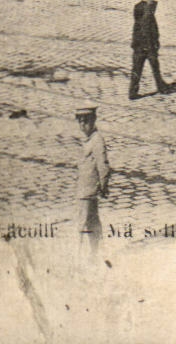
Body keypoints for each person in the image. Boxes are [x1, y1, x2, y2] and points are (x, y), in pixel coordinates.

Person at [74, 106, 110, 255]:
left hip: (88, 190)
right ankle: (96, 252)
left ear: (93, 121)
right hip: (86, 187)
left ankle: (77, 254)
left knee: (82, 222)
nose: (83, 125)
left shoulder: (97, 140)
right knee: (94, 221)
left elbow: (103, 165)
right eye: (80, 121)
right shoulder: (89, 139)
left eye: (86, 121)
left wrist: (103, 185)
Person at [129, 0, 170, 100]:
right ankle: (160, 88)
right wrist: (150, 45)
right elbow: (144, 27)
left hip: (141, 44)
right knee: (145, 68)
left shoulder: (144, 7)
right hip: (145, 45)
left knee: (142, 68)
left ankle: (134, 92)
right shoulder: (145, 8)